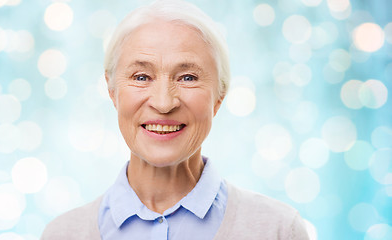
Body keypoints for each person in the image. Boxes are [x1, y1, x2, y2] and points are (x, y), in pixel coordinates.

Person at [41, 0, 309, 239]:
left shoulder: (279, 230)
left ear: (219, 95)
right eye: (141, 77)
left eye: (188, 78)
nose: (163, 102)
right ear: (112, 91)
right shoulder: (62, 234)